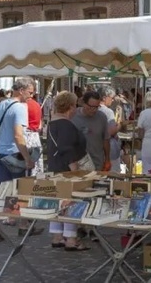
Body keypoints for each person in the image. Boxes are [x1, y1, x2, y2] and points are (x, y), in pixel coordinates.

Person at [0, 77, 40, 243]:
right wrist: (27, 157)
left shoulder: (2, 104)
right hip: (13, 153)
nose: (31, 96)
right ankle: (23, 226)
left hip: (0, 152)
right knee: (21, 190)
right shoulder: (20, 108)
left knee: (2, 192)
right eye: (30, 92)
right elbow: (19, 135)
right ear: (21, 90)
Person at [47, 91, 90, 251]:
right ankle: (71, 238)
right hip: (67, 169)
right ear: (70, 106)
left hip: (55, 167)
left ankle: (57, 235)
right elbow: (67, 149)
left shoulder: (53, 123)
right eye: (75, 105)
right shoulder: (66, 125)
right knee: (71, 201)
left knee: (58, 201)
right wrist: (75, 170)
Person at [71, 91, 110, 171]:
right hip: (78, 164)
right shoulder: (73, 115)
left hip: (97, 163)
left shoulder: (102, 118)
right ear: (84, 103)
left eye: (96, 107)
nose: (93, 110)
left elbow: (106, 140)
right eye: (91, 107)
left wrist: (107, 160)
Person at [98, 85, 122, 172]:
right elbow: (111, 132)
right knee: (113, 175)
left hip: (97, 150)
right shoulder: (108, 111)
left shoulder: (94, 110)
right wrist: (119, 125)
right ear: (104, 98)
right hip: (109, 150)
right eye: (112, 98)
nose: (112, 100)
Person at [25, 95, 44, 176]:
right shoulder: (37, 105)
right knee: (37, 166)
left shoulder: (23, 105)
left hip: (26, 135)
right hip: (35, 136)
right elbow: (40, 126)